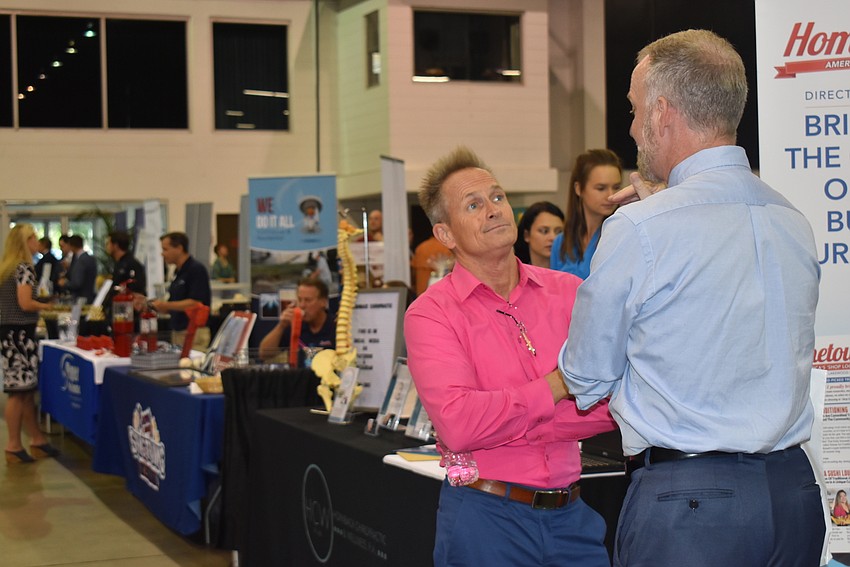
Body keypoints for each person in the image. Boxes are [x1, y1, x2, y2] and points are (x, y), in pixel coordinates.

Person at [557, 30, 823, 566]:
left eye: (634, 109)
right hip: (793, 494)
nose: (632, 126)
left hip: (691, 505)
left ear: (661, 113)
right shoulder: (792, 219)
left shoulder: (640, 228)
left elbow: (586, 376)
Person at [404, 146, 616, 567]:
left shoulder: (569, 293)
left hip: (572, 518)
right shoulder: (431, 313)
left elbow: (611, 405)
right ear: (445, 234)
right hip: (486, 519)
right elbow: (460, 424)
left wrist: (511, 418)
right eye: (473, 205)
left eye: (497, 197)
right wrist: (559, 385)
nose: (493, 210)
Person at [1, 224, 59, 464]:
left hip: (9, 334)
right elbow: (25, 303)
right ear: (26, 242)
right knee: (18, 392)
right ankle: (14, 445)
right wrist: (47, 306)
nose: (37, 241)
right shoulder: (24, 268)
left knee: (25, 391)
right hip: (20, 337)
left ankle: (37, 438)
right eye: (33, 237)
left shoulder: (6, 269)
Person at [550, 149, 622, 279]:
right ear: (578, 188)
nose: (611, 196)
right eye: (601, 188)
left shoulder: (620, 237)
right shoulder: (560, 243)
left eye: (616, 187)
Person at [148, 232, 212, 349]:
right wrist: (156, 306)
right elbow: (174, 304)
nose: (162, 254)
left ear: (179, 248)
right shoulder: (178, 272)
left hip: (193, 333)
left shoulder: (196, 269)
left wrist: (165, 305)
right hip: (178, 332)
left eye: (165, 249)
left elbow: (195, 303)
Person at [258, 277, 334, 366]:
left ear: (323, 302)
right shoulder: (294, 324)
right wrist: (281, 326)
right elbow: (264, 354)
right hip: (298, 374)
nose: (302, 305)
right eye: (299, 299)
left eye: (308, 300)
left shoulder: (336, 326)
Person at [513, 201, 564, 267]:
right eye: (544, 231)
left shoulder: (570, 271)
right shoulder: (516, 270)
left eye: (559, 232)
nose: (553, 237)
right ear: (527, 235)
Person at [58, 234, 97, 303]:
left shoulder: (81, 260)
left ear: (71, 246)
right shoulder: (89, 258)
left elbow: (77, 283)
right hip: (89, 296)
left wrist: (65, 283)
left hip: (82, 298)